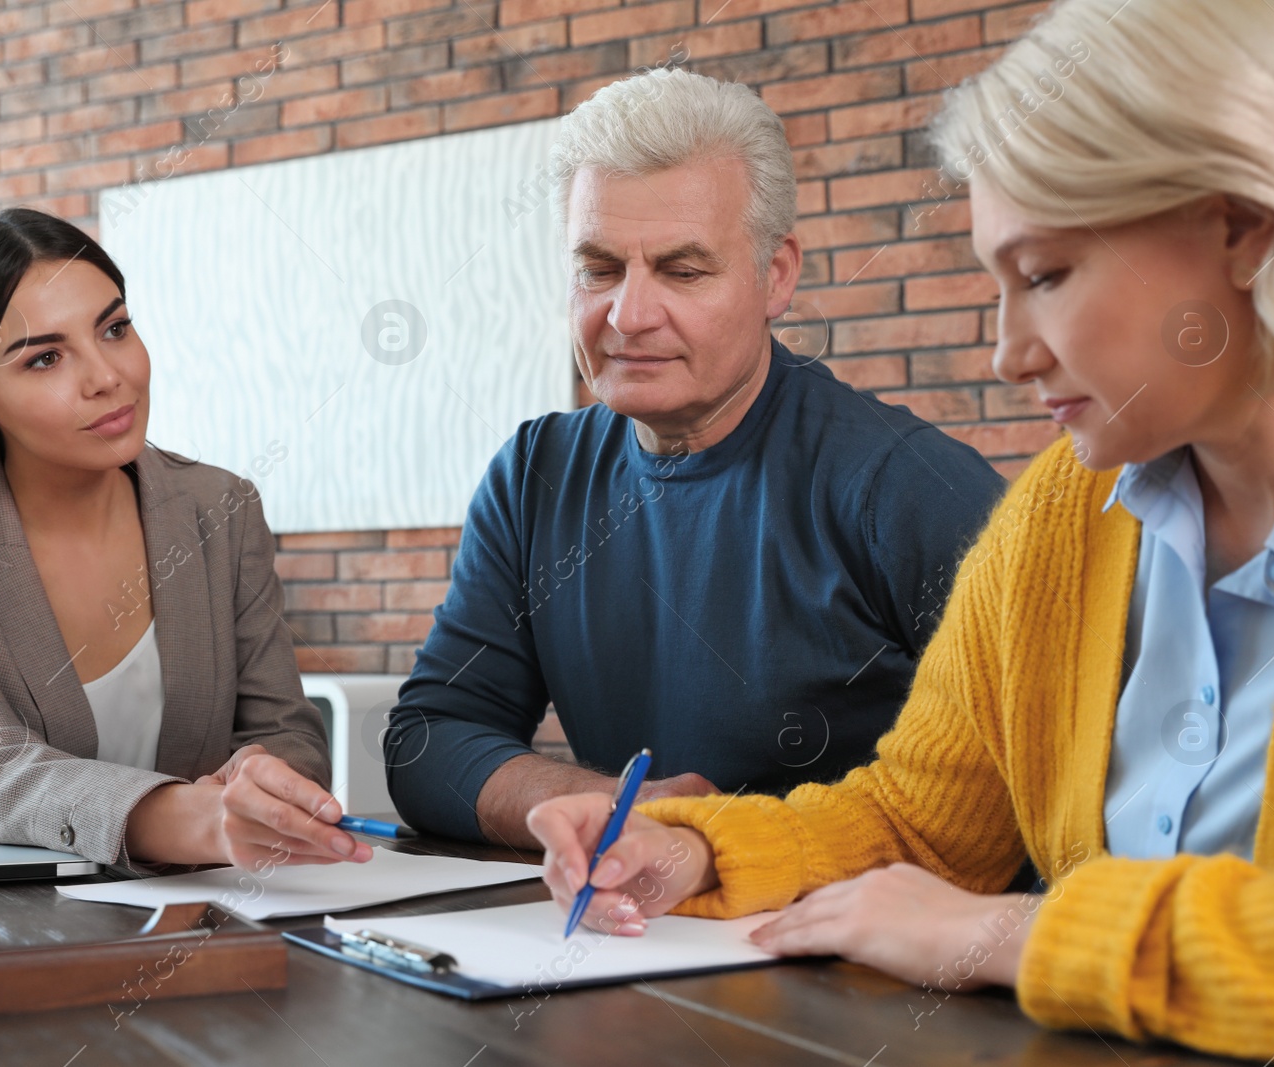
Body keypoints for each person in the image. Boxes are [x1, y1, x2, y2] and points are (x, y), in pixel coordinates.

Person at [526, 1, 1274, 1062]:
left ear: (1244, 228)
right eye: (993, 283)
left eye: (1043, 276)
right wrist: (693, 851)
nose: (1006, 351)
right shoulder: (1058, 520)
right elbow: (921, 822)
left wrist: (1017, 932)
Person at [386, 68, 1007, 848]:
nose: (629, 315)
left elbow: (1039, 787)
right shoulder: (534, 476)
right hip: (630, 941)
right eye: (599, 269)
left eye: (682, 271)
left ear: (775, 275)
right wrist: (618, 805)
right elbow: (428, 740)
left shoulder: (907, 487)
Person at [0, 209, 373, 873]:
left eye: (114, 328)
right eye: (45, 357)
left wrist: (265, 777)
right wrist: (175, 818)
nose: (107, 375)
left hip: (203, 909)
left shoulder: (221, 507)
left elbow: (285, 729)